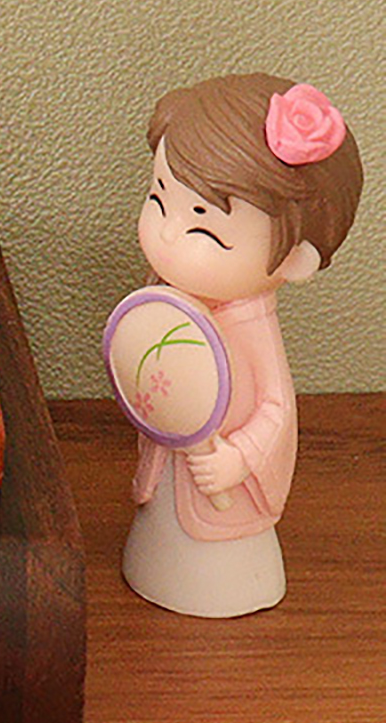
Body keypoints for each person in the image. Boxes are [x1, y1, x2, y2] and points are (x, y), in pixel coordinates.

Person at [123, 74, 363, 616]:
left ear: (295, 258)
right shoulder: (166, 297)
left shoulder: (251, 327)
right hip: (168, 472)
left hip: (221, 493)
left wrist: (239, 458)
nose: (166, 234)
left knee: (215, 544)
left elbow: (277, 409)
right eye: (158, 200)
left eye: (204, 230)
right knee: (163, 523)